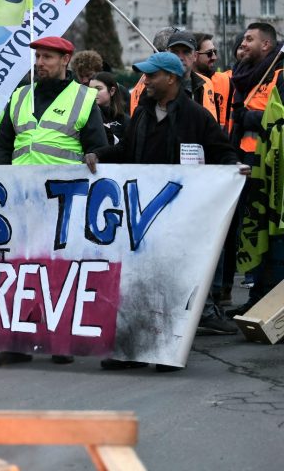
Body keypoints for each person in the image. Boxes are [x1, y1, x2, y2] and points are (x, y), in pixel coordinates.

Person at [86, 52, 248, 367]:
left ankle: (164, 352)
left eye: (151, 75)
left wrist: (233, 169)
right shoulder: (143, 115)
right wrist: (98, 154)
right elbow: (125, 150)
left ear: (171, 78)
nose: (144, 81)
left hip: (178, 217)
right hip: (141, 215)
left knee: (171, 286)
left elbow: (221, 151)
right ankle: (132, 353)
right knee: (135, 283)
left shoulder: (196, 116)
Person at [0, 36, 108, 367]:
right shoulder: (20, 95)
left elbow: (96, 148)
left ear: (65, 61)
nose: (40, 62)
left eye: (47, 57)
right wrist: (1, 179)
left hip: (63, 201)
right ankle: (17, 342)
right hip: (21, 199)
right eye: (38, 56)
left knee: (60, 272)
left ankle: (61, 341)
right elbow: (3, 144)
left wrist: (94, 157)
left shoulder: (85, 99)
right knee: (19, 270)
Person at [227, 22, 284, 315]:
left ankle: (272, 304)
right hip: (246, 167)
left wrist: (253, 118)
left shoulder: (280, 74)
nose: (243, 43)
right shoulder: (242, 77)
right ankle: (256, 298)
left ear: (267, 45)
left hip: (272, 173)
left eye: (250, 39)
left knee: (273, 239)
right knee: (253, 236)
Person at [130, 30, 217, 120]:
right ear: (168, 54)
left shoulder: (205, 85)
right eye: (175, 52)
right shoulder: (152, 88)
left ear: (195, 56)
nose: (180, 57)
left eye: (186, 52)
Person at [194, 33, 231, 132]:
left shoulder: (225, 80)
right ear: (194, 55)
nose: (214, 57)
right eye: (209, 53)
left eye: (215, 52)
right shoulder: (183, 84)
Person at [90, 71, 130, 145]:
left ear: (112, 91)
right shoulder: (86, 117)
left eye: (98, 89)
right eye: (90, 89)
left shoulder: (125, 120)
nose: (93, 93)